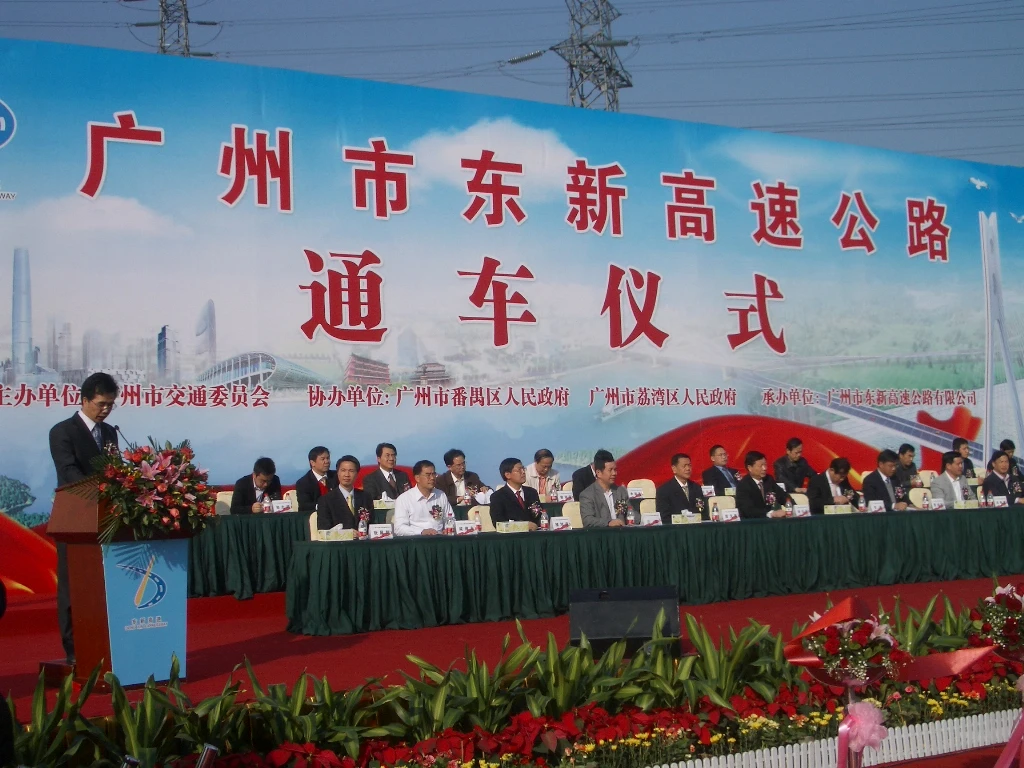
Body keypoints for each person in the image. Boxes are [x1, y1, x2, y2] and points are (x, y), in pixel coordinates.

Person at [48, 372, 119, 664]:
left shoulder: (111, 433)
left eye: (111, 405)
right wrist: (99, 494)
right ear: (85, 399)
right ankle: (74, 650)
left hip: (106, 521)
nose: (105, 409)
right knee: (72, 587)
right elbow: (69, 473)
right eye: (101, 403)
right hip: (75, 519)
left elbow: (116, 471)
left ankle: (107, 643)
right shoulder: (63, 431)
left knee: (103, 587)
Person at [393, 460, 450, 536]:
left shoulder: (441, 495)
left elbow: (450, 518)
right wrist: (421, 531)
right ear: (417, 478)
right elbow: (399, 528)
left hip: (440, 538)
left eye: (434, 474)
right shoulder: (404, 499)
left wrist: (447, 529)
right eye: (428, 475)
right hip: (417, 541)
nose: (432, 478)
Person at [316, 455, 372, 530]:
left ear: (357, 474)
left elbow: (371, 525)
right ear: (338, 473)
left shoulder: (366, 497)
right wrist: (347, 534)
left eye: (351, 471)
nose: (347, 475)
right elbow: (324, 530)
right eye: (343, 470)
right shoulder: (326, 500)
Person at [735, 451, 791, 519]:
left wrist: (794, 507)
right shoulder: (743, 485)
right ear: (750, 468)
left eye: (765, 465)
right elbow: (747, 510)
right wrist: (771, 514)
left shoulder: (769, 480)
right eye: (760, 466)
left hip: (769, 522)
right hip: (752, 523)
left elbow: (783, 496)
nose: (764, 468)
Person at [580, 453, 630, 527]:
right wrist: (609, 523)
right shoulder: (587, 495)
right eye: (610, 470)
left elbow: (630, 513)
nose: (614, 473)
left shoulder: (621, 491)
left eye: (615, 470)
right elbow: (588, 520)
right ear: (598, 473)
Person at [489, 458, 540, 528]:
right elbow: (498, 523)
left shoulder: (532, 492)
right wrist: (524, 526)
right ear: (507, 475)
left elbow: (539, 515)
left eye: (523, 469)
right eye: (519, 470)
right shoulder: (498, 496)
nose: (523, 472)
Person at [655, 453, 706, 522]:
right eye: (684, 466)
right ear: (674, 469)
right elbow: (664, 517)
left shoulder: (696, 488)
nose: (688, 468)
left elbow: (703, 512)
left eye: (689, 465)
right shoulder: (664, 490)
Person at [294, 446, 337, 513]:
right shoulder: (303, 483)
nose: (327, 461)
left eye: (328, 458)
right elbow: (304, 505)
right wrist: (323, 506)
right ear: (312, 463)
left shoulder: (336, 476)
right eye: (323, 459)